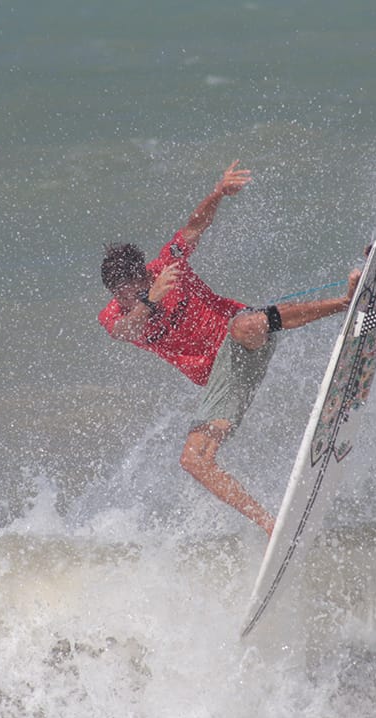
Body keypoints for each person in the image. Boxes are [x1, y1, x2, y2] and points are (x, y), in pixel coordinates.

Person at [98, 160, 359, 536]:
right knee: (193, 461)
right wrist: (150, 301)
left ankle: (345, 304)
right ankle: (273, 528)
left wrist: (217, 193)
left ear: (144, 273)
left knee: (243, 324)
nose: (132, 294)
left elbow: (194, 226)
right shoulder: (114, 316)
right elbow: (124, 329)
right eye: (123, 292)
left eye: (138, 284)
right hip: (223, 380)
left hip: (245, 336)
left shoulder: (165, 267)